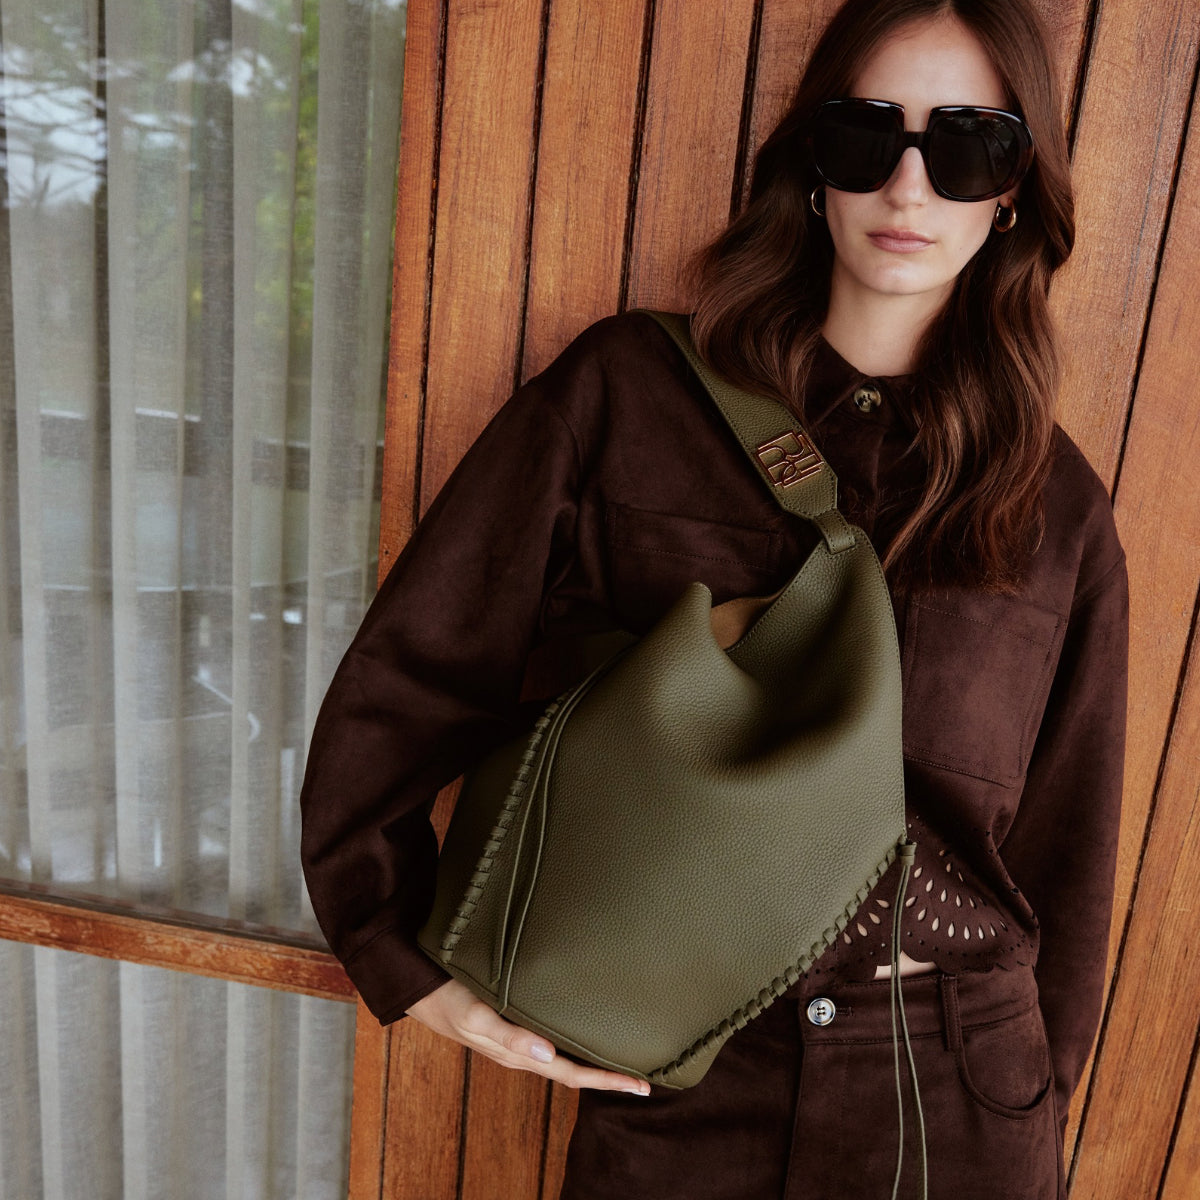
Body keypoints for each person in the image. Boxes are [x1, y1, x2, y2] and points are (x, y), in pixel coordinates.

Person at [299, 0, 1128, 1195]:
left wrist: (1033, 1098)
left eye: (967, 144)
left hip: (953, 1098)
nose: (908, 186)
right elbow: (416, 670)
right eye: (867, 133)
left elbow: (1067, 852)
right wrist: (400, 957)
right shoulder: (628, 397)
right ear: (813, 163)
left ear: (1011, 189)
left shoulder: (1056, 507)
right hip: (681, 1069)